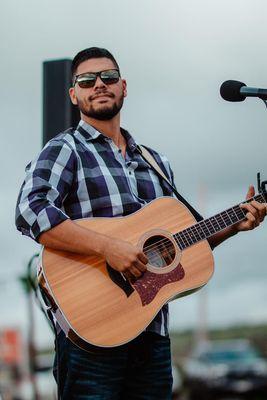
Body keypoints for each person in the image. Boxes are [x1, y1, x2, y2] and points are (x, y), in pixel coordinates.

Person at [15, 47, 266, 399]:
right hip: (92, 338)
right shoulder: (65, 149)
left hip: (152, 336)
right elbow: (30, 210)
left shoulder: (155, 162)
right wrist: (108, 248)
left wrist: (235, 223)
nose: (99, 84)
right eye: (87, 80)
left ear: (124, 86)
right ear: (74, 94)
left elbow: (181, 245)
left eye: (109, 77)